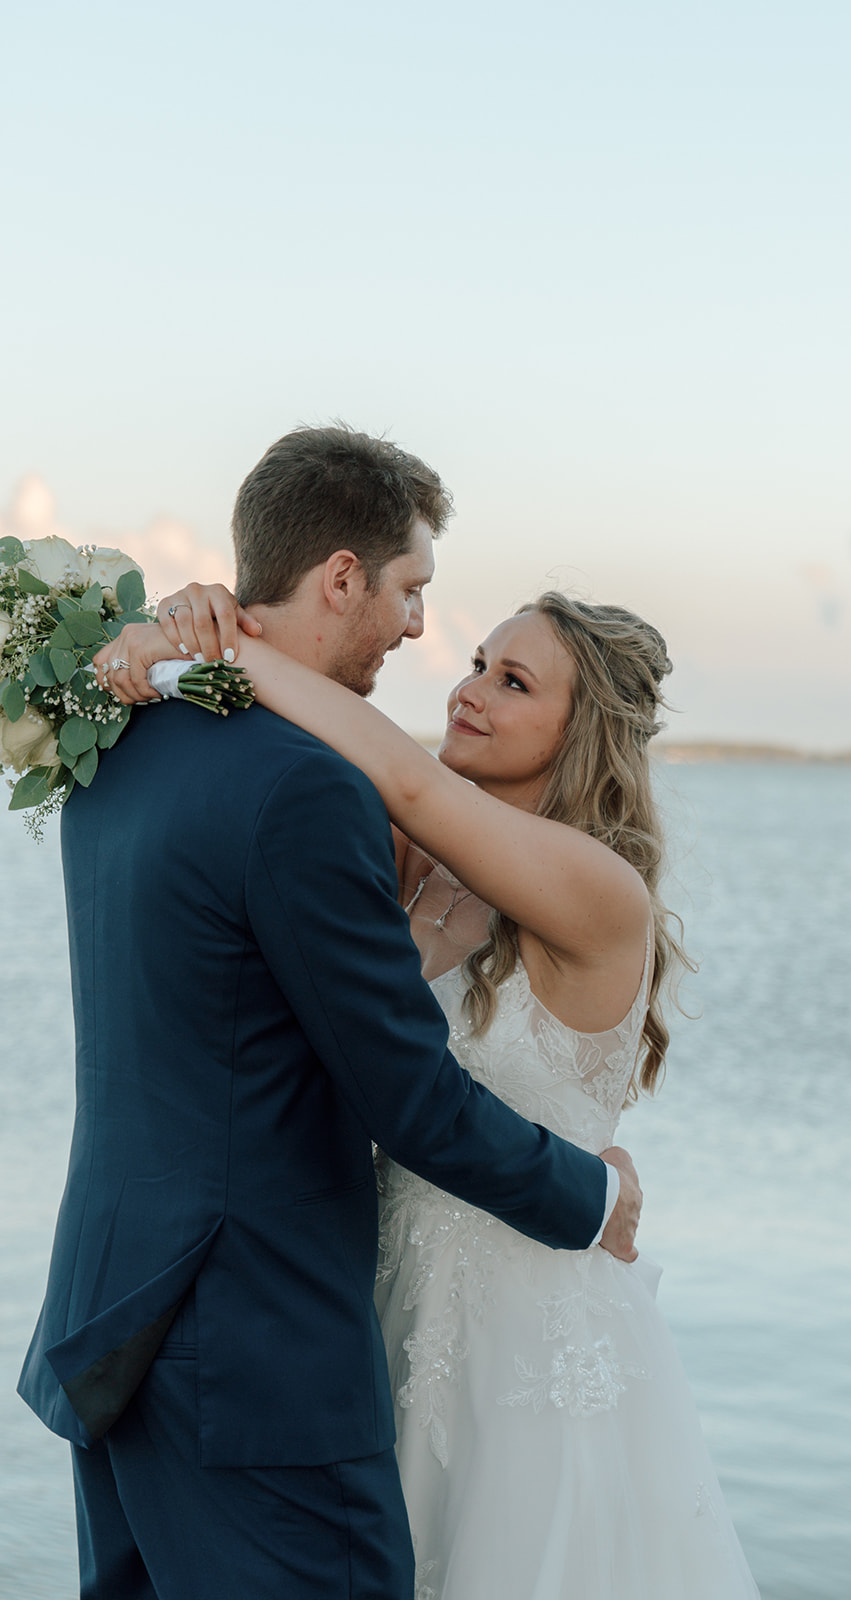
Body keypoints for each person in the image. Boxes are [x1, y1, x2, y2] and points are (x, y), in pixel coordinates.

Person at [17, 426, 642, 1600]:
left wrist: (194, 640)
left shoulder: (120, 738)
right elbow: (405, 1093)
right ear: (343, 575)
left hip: (117, 1324)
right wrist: (594, 1192)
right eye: (410, 590)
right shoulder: (309, 788)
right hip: (257, 1356)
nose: (423, 633)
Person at [103, 573, 762, 1598]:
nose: (469, 692)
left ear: (581, 730)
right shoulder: (408, 863)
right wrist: (187, 624)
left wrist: (238, 649)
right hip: (377, 1316)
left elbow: (407, 779)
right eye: (472, 664)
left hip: (527, 1343)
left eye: (510, 682)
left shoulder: (597, 888)